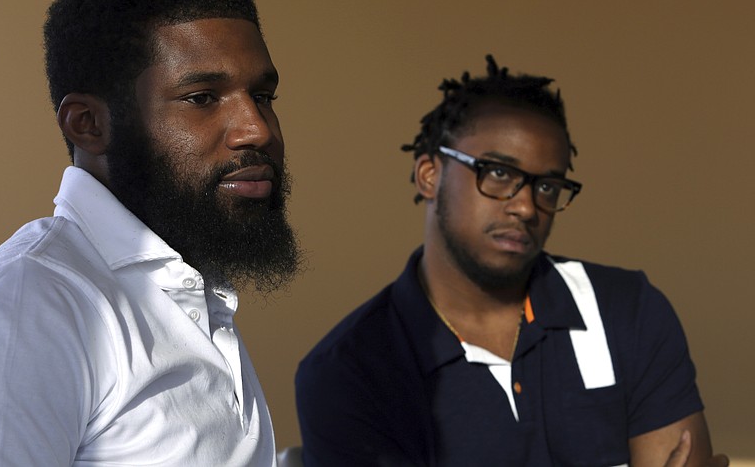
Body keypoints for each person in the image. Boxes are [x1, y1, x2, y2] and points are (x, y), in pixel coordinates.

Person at [0, 0, 303, 466]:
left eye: (264, 97)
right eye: (202, 98)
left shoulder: (193, 287)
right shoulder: (26, 313)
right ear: (89, 125)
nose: (256, 128)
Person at [295, 55, 724, 466]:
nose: (526, 207)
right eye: (498, 173)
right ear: (430, 175)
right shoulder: (348, 372)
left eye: (548, 186)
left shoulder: (627, 311)